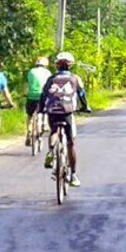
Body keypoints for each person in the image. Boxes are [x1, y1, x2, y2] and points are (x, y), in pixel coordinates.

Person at [40, 51, 91, 187]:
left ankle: (51, 151)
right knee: (71, 142)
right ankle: (73, 174)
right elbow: (81, 93)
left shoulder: (51, 79)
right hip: (67, 111)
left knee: (54, 131)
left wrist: (41, 109)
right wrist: (86, 107)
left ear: (57, 65)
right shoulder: (75, 78)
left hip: (52, 110)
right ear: (70, 65)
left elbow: (44, 95)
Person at [25, 56, 52, 146]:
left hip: (31, 96)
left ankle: (29, 132)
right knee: (46, 109)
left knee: (29, 115)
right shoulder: (48, 72)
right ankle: (44, 124)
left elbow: (28, 84)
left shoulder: (31, 71)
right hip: (42, 96)